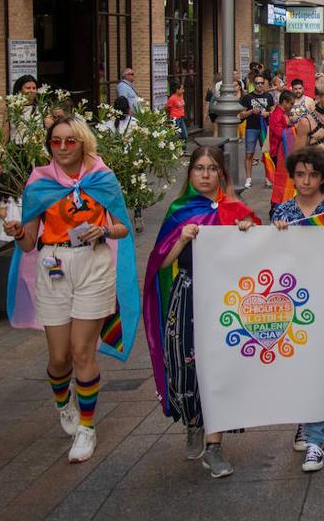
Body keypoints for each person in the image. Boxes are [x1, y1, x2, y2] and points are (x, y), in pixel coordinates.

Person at [2, 117, 138, 463]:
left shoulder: (102, 179)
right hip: (54, 266)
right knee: (59, 357)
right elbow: (30, 242)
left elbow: (122, 226)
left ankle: (87, 428)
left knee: (82, 352)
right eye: (56, 142)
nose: (62, 148)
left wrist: (104, 231)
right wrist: (17, 231)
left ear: (83, 143)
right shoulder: (39, 183)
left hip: (93, 265)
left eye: (70, 141)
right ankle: (65, 403)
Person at [143, 146, 259, 478]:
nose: (205, 174)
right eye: (199, 168)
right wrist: (180, 240)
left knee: (220, 366)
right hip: (189, 294)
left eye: (212, 168)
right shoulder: (180, 211)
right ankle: (194, 422)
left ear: (222, 173)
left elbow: (258, 254)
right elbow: (160, 263)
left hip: (225, 299)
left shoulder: (236, 210)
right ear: (190, 174)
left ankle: (214, 446)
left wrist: (248, 231)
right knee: (186, 365)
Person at [271, 147, 324, 471]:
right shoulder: (283, 212)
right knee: (298, 366)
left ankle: (316, 441)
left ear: (322, 178)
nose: (306, 181)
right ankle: (305, 421)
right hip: (292, 303)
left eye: (313, 175)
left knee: (318, 367)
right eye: (300, 174)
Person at [239, 74, 273, 189]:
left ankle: (268, 178)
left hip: (265, 128)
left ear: (264, 84)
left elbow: (274, 112)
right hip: (251, 128)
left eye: (261, 83)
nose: (259, 85)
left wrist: (267, 114)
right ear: (253, 85)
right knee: (249, 153)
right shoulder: (247, 97)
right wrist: (251, 112)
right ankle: (248, 178)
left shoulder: (268, 96)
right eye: (257, 83)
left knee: (266, 154)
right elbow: (241, 114)